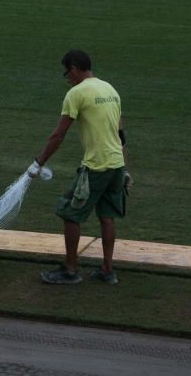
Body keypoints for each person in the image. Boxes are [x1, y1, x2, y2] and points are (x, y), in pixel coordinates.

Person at [27, 49, 130, 285]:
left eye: (67, 73)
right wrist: (124, 168)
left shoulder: (76, 93)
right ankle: (107, 270)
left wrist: (38, 162)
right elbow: (121, 133)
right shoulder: (110, 89)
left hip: (97, 166)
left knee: (69, 212)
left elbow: (58, 136)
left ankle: (70, 270)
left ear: (74, 68)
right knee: (107, 216)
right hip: (116, 164)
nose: (67, 78)